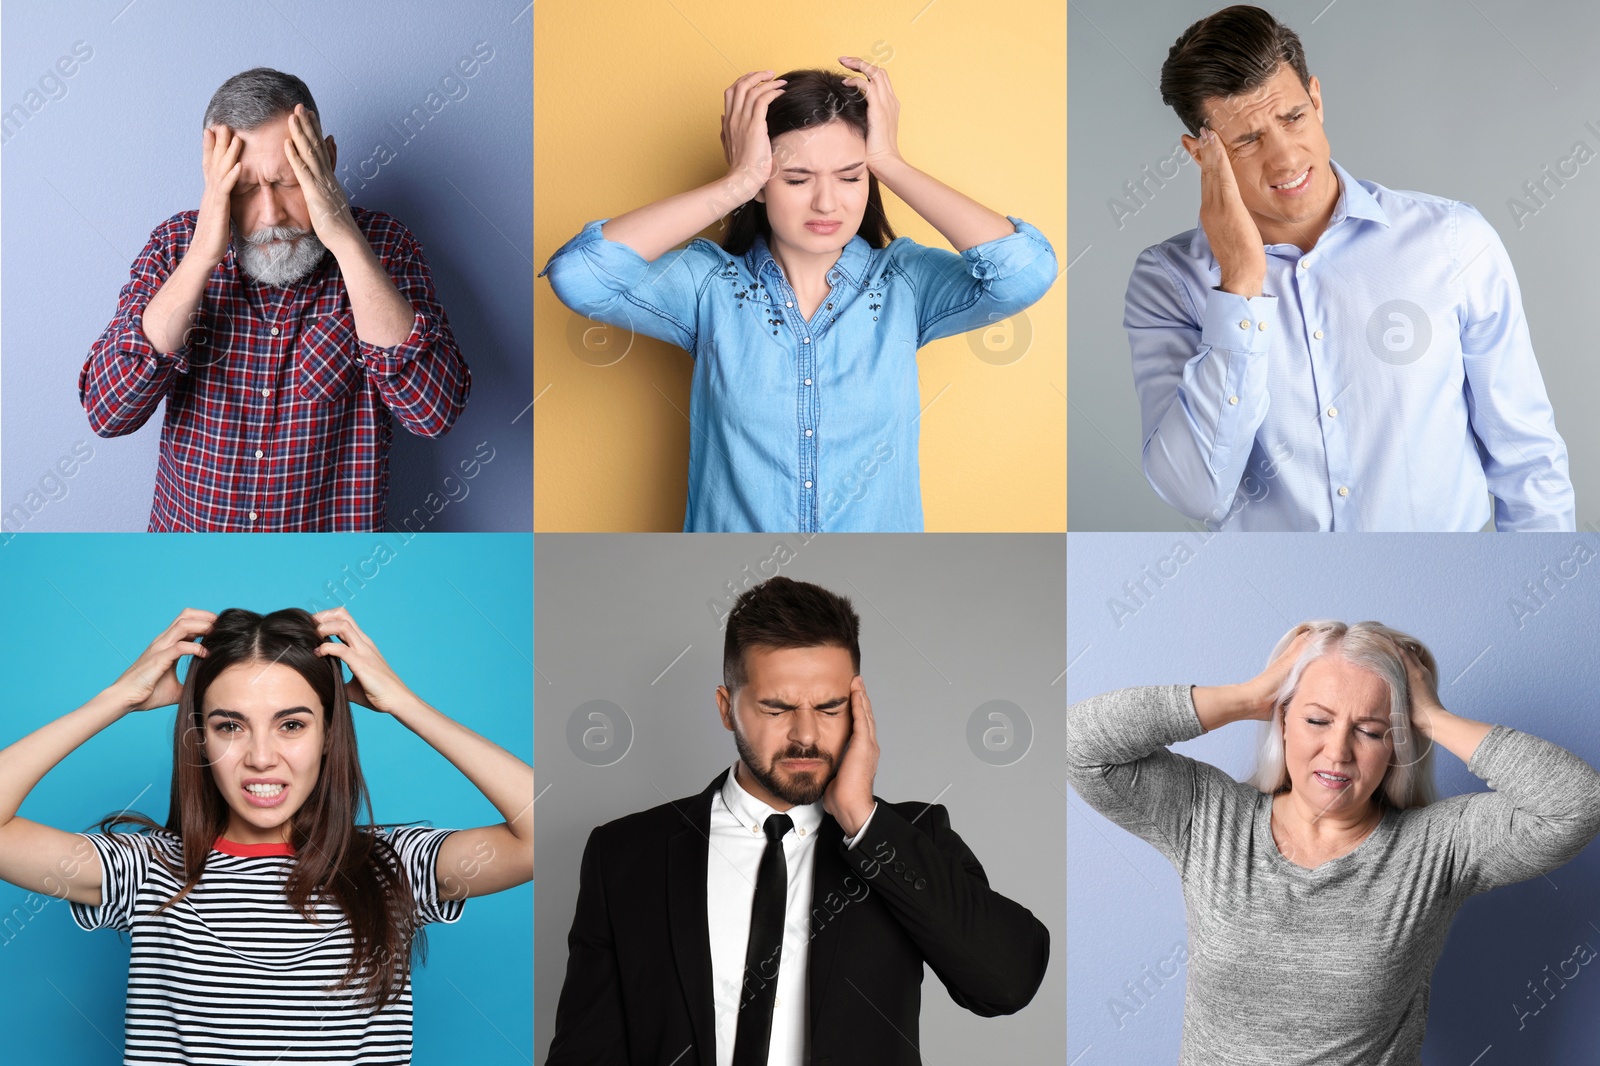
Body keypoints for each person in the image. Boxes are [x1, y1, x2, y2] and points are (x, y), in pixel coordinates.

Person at [547, 576, 1050, 1064]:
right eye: (777, 709)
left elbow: (1007, 982)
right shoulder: (626, 854)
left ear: (858, 708)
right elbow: (586, 1051)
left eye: (830, 709)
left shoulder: (910, 838)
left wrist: (863, 820)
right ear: (727, 708)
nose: (806, 735)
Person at [540, 60, 1057, 532]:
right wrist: (736, 180)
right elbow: (580, 276)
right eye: (796, 177)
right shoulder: (708, 286)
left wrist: (890, 161)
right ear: (763, 185)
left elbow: (1025, 272)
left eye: (851, 176)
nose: (827, 201)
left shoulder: (906, 282)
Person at [0, 607, 533, 1064]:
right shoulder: (145, 871)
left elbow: (538, 832)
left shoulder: (392, 866)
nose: (260, 757)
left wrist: (405, 704)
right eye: (229, 726)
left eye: (292, 725)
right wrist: (115, 698)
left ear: (329, 733)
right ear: (200, 736)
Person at [1065, 620, 1600, 1065]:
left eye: (1370, 730)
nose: (1337, 750)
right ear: (1283, 718)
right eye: (1317, 719)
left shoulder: (1438, 848)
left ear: (1397, 743)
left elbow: (1577, 804)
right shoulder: (1208, 815)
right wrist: (1248, 696)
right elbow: (1081, 744)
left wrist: (1432, 716)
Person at [1125, 6, 1572, 531]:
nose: (1286, 158)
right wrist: (1240, 287)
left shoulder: (1453, 241)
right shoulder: (1167, 283)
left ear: (1316, 99)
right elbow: (1196, 492)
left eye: (1293, 117)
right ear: (1203, 155)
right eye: (1246, 140)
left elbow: (1527, 458)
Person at [80, 68, 471, 532]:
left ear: (326, 159)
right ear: (213, 179)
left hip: (328, 579)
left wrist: (344, 239)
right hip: (192, 564)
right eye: (244, 190)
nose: (271, 214)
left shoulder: (386, 248)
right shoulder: (174, 245)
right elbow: (109, 412)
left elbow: (433, 412)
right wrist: (202, 256)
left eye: (289, 183)